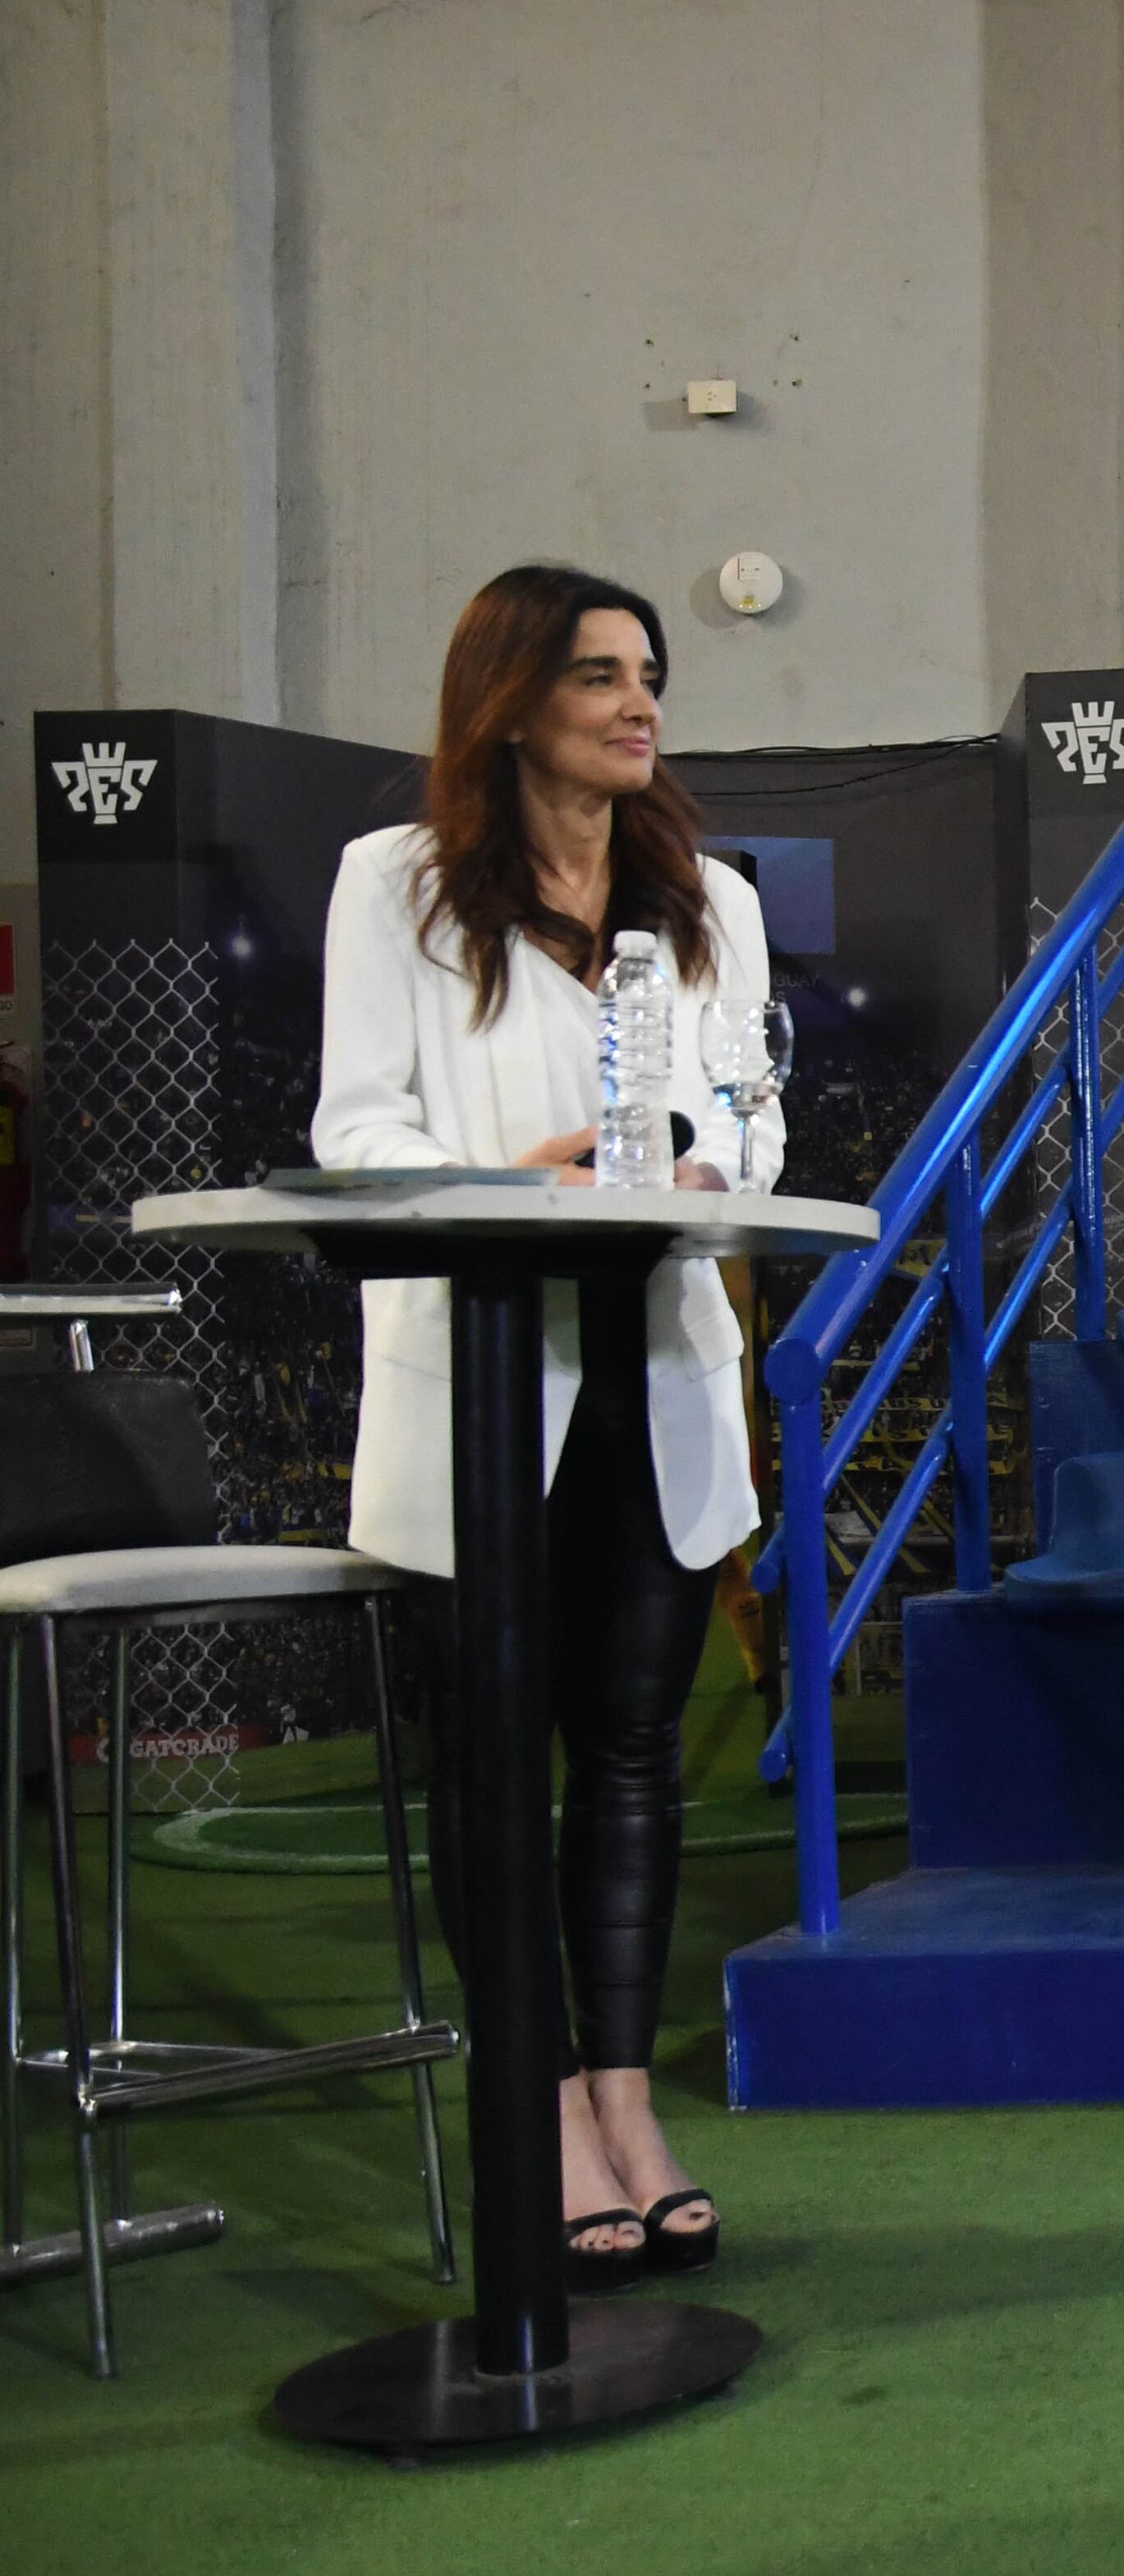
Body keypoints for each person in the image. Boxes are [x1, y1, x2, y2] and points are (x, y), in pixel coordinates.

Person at [311, 565, 785, 2288]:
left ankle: (622, 2097)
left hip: (658, 1376)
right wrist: (520, 1179)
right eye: (599, 673)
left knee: (639, 1758)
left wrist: (715, 1162)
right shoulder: (399, 888)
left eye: (649, 672)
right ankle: (536, 2112)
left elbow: (756, 1114)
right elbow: (355, 1132)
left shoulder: (705, 896)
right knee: (500, 1769)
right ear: (512, 701)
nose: (638, 702)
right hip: (488, 1380)